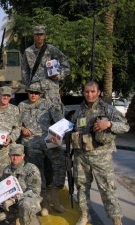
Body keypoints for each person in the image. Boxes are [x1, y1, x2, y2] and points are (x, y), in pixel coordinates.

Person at [71, 81, 130, 225]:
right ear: (83, 93)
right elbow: (71, 127)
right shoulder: (79, 111)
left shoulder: (107, 109)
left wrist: (109, 124)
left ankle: (117, 220)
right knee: (81, 186)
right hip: (81, 156)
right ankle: (85, 215)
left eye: (92, 91)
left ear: (98, 92)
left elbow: (125, 126)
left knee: (107, 189)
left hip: (101, 156)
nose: (89, 94)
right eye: (86, 91)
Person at [18, 82, 65, 216]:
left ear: (40, 94)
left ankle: (54, 195)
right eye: (31, 92)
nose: (33, 95)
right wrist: (23, 129)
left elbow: (60, 121)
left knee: (61, 164)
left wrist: (59, 133)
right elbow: (16, 124)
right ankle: (44, 200)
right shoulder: (22, 105)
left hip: (48, 139)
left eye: (36, 93)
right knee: (38, 172)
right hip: (31, 141)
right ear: (27, 92)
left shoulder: (49, 104)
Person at [0, 144, 42, 225]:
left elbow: (34, 191)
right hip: (11, 205)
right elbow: (4, 189)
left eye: (18, 155)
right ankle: (14, 217)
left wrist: (14, 199)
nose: (15, 158)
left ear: (23, 156)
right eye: (13, 155)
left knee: (26, 205)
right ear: (9, 155)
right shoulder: (7, 170)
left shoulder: (31, 169)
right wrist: (2, 200)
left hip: (26, 201)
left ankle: (24, 220)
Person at [21, 25, 70, 105]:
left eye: (41, 34)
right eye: (37, 34)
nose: (39, 36)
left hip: (51, 88)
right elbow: (24, 70)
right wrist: (29, 85)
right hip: (35, 89)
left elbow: (66, 63)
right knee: (35, 114)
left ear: (44, 36)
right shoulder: (28, 51)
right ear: (34, 35)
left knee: (54, 112)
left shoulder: (51, 49)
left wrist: (59, 76)